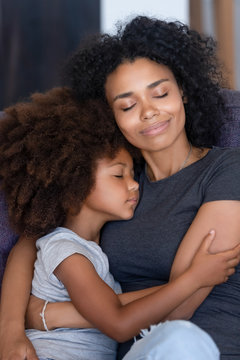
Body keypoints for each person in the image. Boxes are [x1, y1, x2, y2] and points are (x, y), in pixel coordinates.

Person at [1, 15, 240, 359]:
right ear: (110, 115)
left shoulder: (227, 169)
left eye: (160, 93)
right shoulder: (117, 191)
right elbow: (34, 242)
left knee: (180, 339)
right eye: (127, 105)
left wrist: (50, 314)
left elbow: (178, 308)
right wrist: (9, 330)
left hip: (199, 345)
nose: (149, 112)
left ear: (184, 90)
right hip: (133, 351)